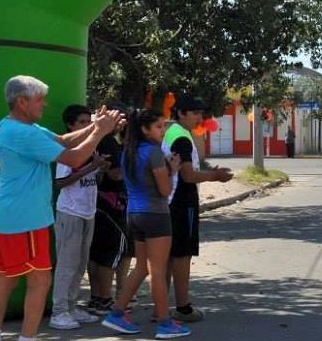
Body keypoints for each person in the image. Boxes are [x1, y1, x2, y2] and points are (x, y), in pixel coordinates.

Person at [0, 75, 121, 341]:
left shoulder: (15, 128)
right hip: (25, 220)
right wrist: (100, 131)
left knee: (6, 280)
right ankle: (28, 338)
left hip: (12, 216)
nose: (44, 105)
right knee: (40, 282)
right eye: (39, 100)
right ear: (22, 102)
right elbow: (75, 156)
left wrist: (95, 127)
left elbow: (64, 140)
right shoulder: (23, 133)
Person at [102, 108, 189, 339]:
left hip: (134, 215)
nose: (163, 130)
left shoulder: (128, 151)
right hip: (156, 216)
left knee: (141, 267)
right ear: (144, 129)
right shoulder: (154, 153)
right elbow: (164, 190)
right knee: (157, 272)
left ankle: (117, 313)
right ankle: (164, 323)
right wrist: (173, 171)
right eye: (159, 126)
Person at [163, 96, 233, 322]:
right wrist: (216, 176)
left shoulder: (172, 132)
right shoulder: (181, 137)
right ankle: (183, 307)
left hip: (169, 201)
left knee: (167, 256)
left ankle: (161, 307)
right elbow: (189, 175)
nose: (199, 117)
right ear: (181, 113)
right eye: (194, 112)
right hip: (182, 202)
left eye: (200, 113)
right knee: (182, 255)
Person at [49, 105, 110, 330]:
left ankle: (72, 306)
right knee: (67, 264)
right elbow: (60, 183)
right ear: (70, 126)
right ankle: (59, 312)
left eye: (89, 121)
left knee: (80, 263)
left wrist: (99, 168)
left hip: (88, 212)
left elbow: (94, 181)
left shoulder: (90, 149)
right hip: (70, 213)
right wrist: (90, 167)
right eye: (83, 122)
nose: (88, 126)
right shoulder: (69, 153)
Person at [88, 106, 133, 316]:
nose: (122, 123)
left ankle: (97, 298)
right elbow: (115, 174)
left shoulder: (103, 140)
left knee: (97, 254)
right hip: (111, 204)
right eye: (119, 119)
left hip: (98, 203)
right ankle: (105, 299)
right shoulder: (108, 142)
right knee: (109, 255)